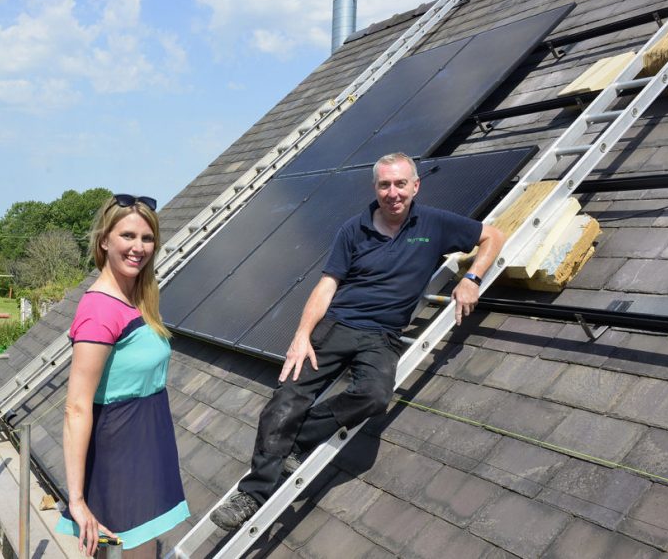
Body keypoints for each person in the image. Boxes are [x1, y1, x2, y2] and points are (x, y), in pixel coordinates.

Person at [210, 153, 505, 530]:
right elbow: (327, 284)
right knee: (286, 398)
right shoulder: (353, 229)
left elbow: (493, 236)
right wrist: (301, 335)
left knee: (375, 395)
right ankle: (252, 495)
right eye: (385, 185)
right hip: (338, 326)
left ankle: (296, 441)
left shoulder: (434, 223)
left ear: (416, 186)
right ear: (375, 188)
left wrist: (473, 278)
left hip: (382, 336)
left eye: (401, 184)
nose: (393, 193)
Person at [56, 194, 189, 557]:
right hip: (119, 465)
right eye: (127, 236)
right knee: (126, 554)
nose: (138, 247)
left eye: (147, 238)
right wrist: (78, 500)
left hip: (144, 452)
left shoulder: (136, 300)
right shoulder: (100, 310)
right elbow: (77, 407)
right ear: (104, 241)